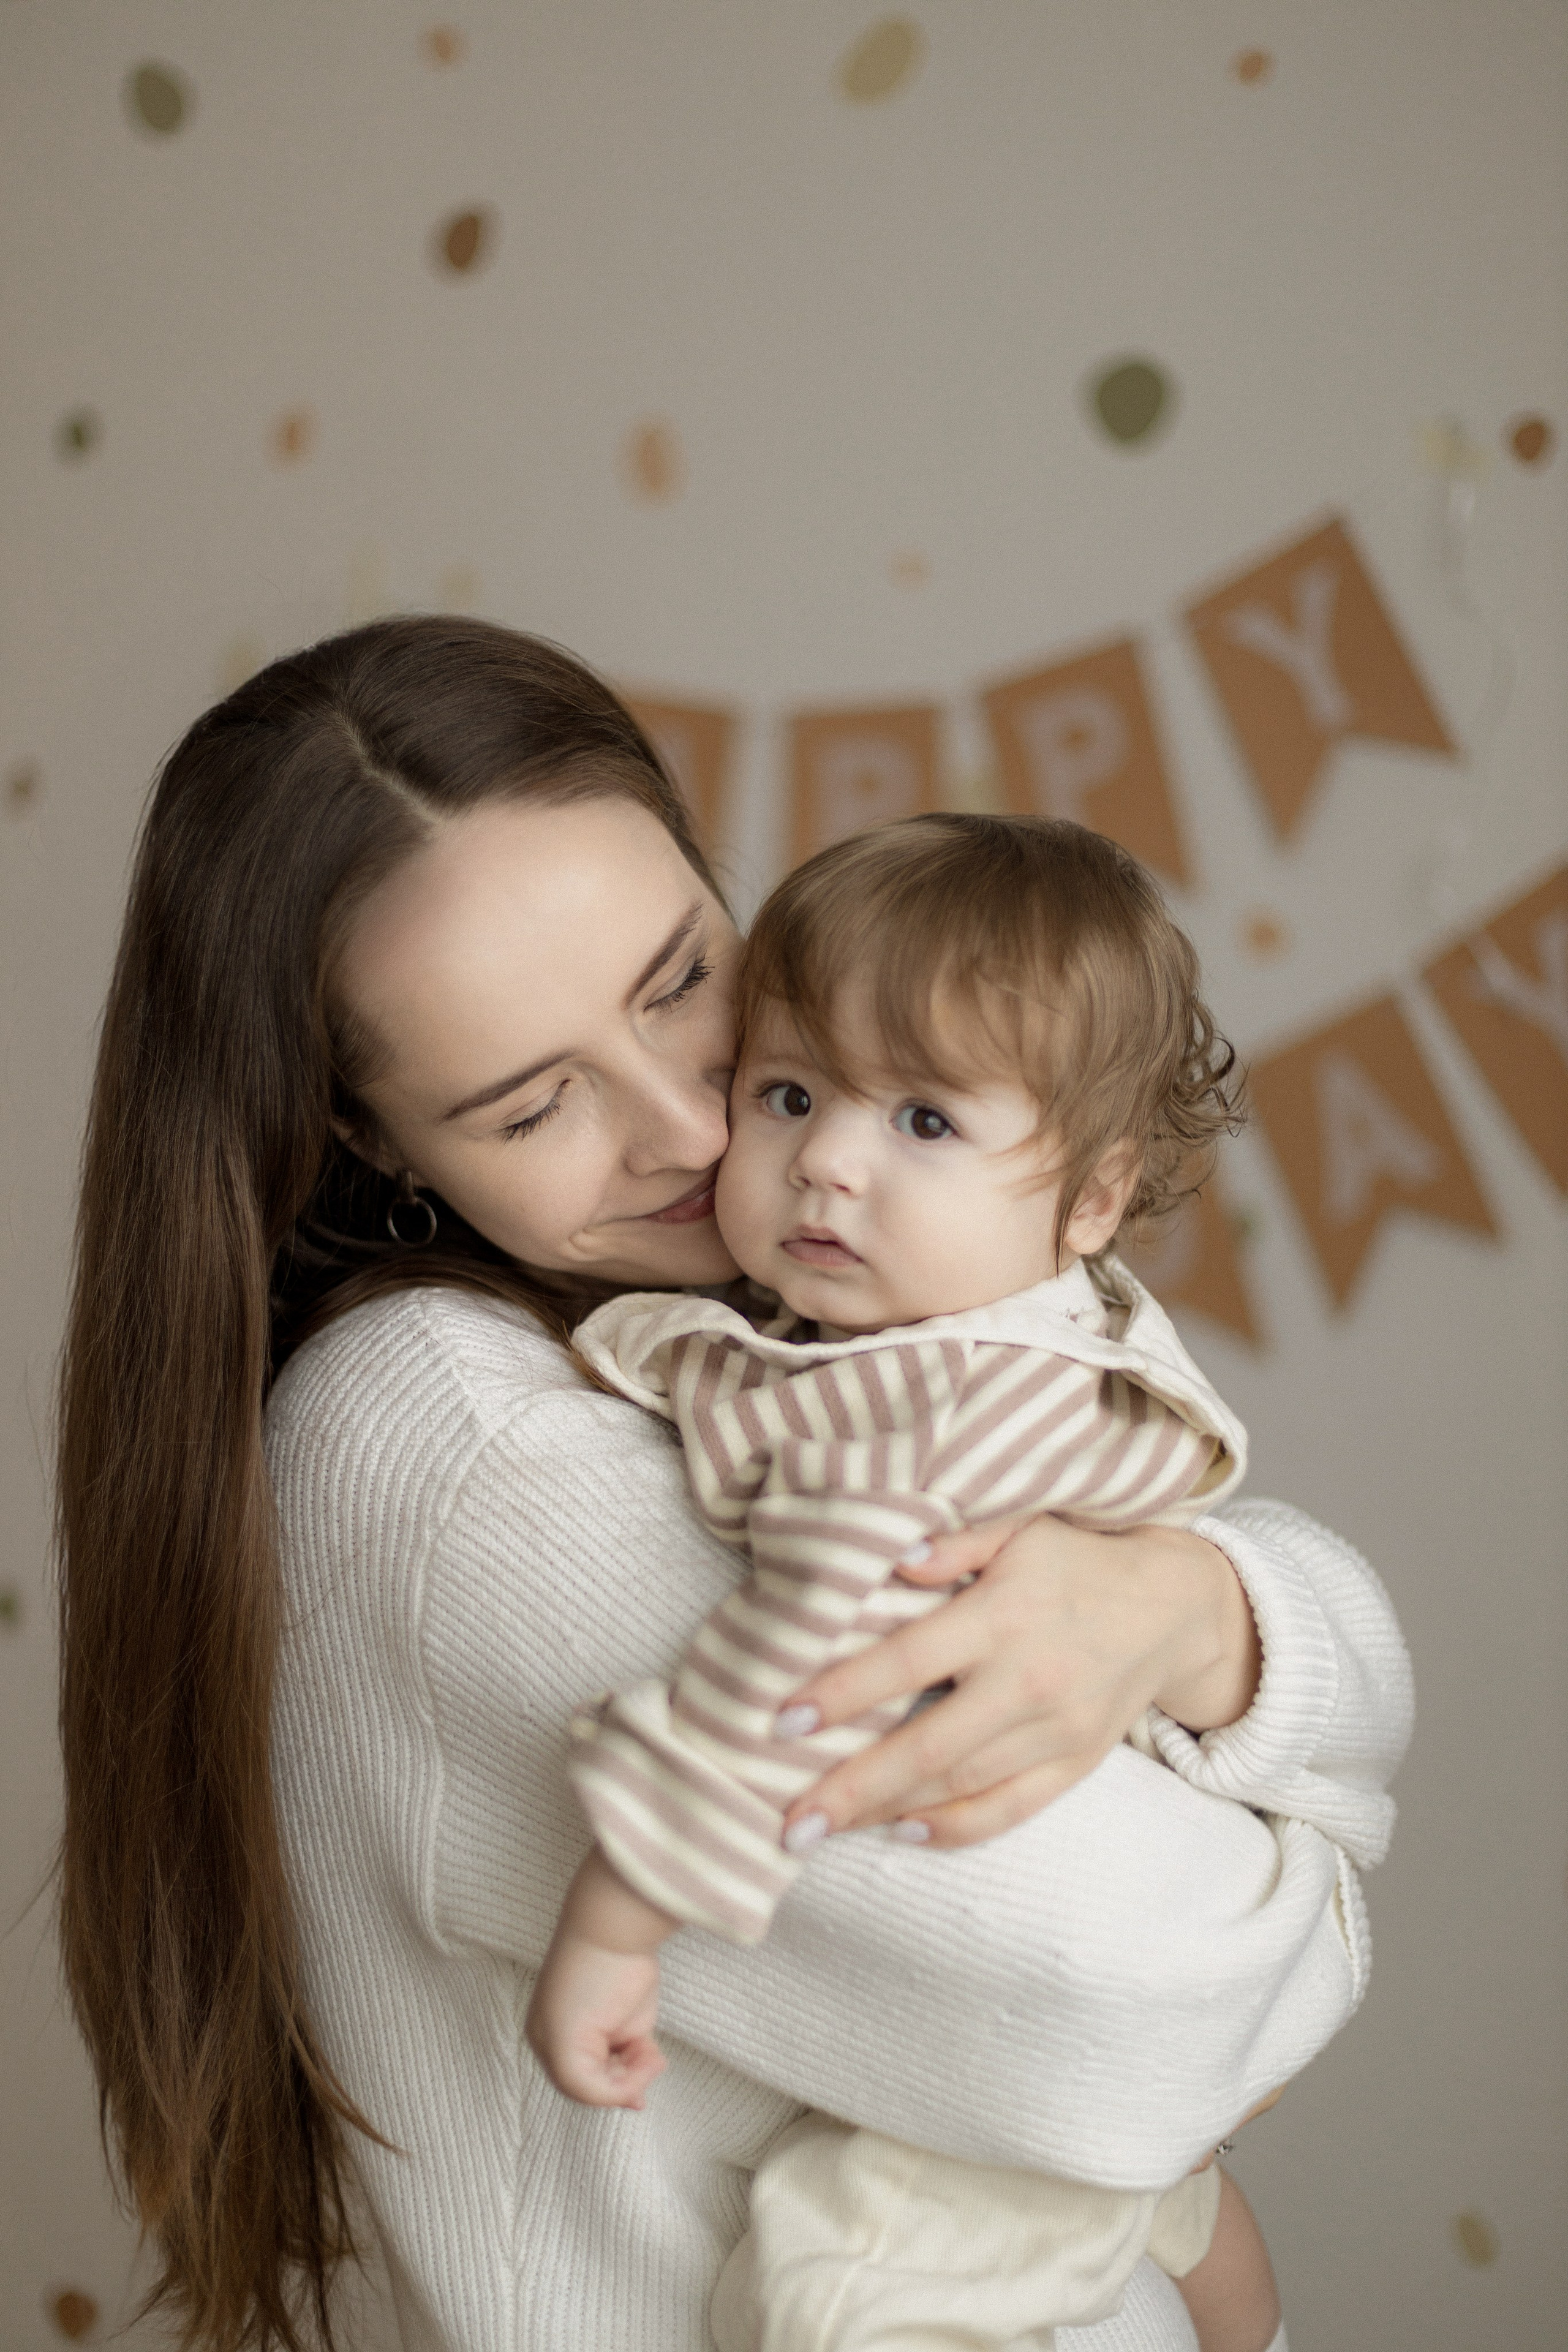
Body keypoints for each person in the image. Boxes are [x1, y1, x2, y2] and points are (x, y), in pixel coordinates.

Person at [55, 617, 1412, 2352]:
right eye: (535, 1103)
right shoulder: (450, 1446)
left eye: (680, 982)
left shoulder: (784, 1335)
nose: (696, 1136)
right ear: (372, 1140)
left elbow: (1287, 1613)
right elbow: (1144, 2010)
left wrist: (1194, 1615)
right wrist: (1313, 1863)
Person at [527, 813, 1279, 2352]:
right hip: (1075, 2020)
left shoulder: (913, 1421)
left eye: (925, 1121)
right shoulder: (983, 1328)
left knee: (830, 2284)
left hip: (1030, 2030)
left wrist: (613, 1920)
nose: (827, 1164)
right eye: (790, 1093)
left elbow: (784, 1674)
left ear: (1087, 1198)